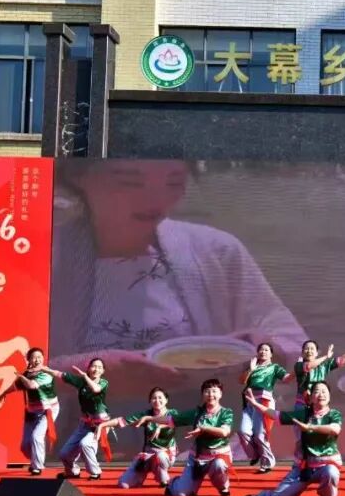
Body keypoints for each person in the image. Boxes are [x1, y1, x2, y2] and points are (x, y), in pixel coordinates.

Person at [49, 159, 308, 443]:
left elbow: (296, 346)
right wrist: (78, 376)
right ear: (78, 176)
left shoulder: (216, 251)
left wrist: (271, 351)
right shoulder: (42, 256)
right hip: (78, 449)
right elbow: (13, 370)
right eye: (130, 182)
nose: (155, 200)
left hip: (208, 445)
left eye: (174, 183)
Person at [243, 381, 344, 496]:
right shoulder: (303, 414)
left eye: (324, 391)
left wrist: (310, 427)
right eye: (317, 391)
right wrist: (256, 404)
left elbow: (335, 429)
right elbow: (277, 415)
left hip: (326, 465)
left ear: (329, 396)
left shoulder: (334, 414)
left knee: (331, 472)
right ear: (311, 397)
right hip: (304, 467)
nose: (321, 395)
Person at [134, 378, 235, 496]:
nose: (210, 395)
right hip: (198, 458)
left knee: (219, 465)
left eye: (214, 391)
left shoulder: (226, 412)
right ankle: (174, 484)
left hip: (219, 456)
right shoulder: (197, 413)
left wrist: (203, 428)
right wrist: (150, 418)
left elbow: (224, 432)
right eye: (207, 391)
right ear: (202, 394)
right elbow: (170, 419)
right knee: (181, 493)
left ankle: (223, 486)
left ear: (220, 394)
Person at [41, 358, 111, 480]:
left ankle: (95, 472)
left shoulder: (103, 382)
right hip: (85, 424)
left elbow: (96, 389)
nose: (96, 369)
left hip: (101, 425)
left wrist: (85, 377)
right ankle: (72, 472)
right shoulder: (81, 381)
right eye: (94, 366)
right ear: (88, 368)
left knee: (86, 444)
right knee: (64, 454)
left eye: (99, 367)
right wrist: (45, 369)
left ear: (103, 371)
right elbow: (61, 374)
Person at [96, 387, 178, 488]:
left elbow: (172, 421)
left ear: (166, 400)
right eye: (154, 398)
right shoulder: (145, 415)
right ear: (150, 401)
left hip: (165, 454)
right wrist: (103, 425)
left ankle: (165, 480)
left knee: (160, 456)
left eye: (160, 398)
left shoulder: (172, 413)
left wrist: (160, 426)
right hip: (148, 454)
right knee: (124, 484)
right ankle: (140, 476)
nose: (157, 400)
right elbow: (123, 421)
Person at [0, 347, 58, 475]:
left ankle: (37, 467)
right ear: (29, 360)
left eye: (39, 357)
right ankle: (35, 461)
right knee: (25, 445)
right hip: (32, 412)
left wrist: (21, 377)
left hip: (48, 410)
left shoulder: (46, 373)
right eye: (34, 357)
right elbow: (15, 386)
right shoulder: (27, 374)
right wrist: (4, 393)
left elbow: (32, 385)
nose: (37, 360)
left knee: (37, 437)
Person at [238, 342, 292, 474]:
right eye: (261, 350)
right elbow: (241, 381)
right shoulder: (252, 366)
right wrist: (251, 369)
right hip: (249, 402)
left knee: (260, 434)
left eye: (266, 350)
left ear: (271, 354)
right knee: (243, 431)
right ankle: (255, 455)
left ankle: (267, 462)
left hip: (264, 402)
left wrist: (299, 370)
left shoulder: (274, 367)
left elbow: (287, 379)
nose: (263, 352)